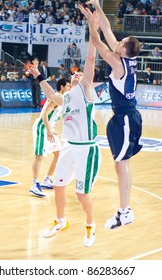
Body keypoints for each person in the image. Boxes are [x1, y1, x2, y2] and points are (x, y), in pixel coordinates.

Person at [28, 35, 101, 247]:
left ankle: (90, 227)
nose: (77, 74)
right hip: (69, 147)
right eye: (74, 74)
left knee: (81, 194)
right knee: (58, 186)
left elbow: (89, 59)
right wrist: (39, 76)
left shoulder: (87, 92)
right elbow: (50, 93)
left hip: (87, 150)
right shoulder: (66, 98)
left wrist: (92, 31)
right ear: (69, 83)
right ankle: (61, 221)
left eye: (80, 73)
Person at [79, 1, 142, 229]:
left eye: (121, 42)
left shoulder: (118, 63)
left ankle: (124, 212)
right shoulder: (127, 58)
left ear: (123, 50)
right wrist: (98, 7)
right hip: (124, 117)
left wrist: (89, 21)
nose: (118, 41)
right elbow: (107, 31)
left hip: (126, 118)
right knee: (121, 165)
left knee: (121, 165)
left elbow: (97, 40)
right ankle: (126, 210)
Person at [29, 77, 70, 197]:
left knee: (59, 154)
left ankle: (47, 179)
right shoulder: (55, 99)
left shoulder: (61, 100)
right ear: (62, 87)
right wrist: (48, 130)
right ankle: (34, 184)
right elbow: (44, 116)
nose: (69, 88)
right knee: (39, 156)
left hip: (49, 129)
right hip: (41, 128)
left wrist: (52, 130)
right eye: (67, 86)